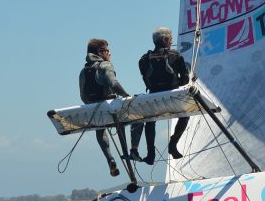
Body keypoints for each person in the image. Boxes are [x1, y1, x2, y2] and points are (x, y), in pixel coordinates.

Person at [130, 27, 190, 165]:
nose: (171, 42)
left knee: (150, 121)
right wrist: (176, 83)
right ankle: (172, 145)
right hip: (172, 97)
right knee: (185, 116)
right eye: (170, 39)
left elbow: (146, 80)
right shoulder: (175, 55)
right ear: (164, 40)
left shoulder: (143, 59)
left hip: (153, 97)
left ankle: (150, 154)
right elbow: (186, 79)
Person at [79, 39, 133, 177]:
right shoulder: (105, 65)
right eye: (107, 51)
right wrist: (126, 96)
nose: (110, 54)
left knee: (100, 130)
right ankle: (129, 154)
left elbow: (83, 95)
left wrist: (92, 104)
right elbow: (113, 83)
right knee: (132, 121)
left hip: (94, 108)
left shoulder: (83, 71)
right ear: (100, 52)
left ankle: (110, 159)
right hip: (110, 106)